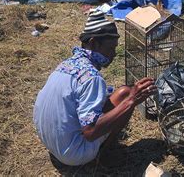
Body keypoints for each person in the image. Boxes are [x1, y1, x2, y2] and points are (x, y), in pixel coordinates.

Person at [33, 11, 157, 166]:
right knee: (126, 97)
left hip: (50, 142)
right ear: (93, 43)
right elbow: (90, 132)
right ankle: (104, 153)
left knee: (124, 92)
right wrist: (132, 100)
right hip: (73, 154)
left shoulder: (67, 64)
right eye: (110, 48)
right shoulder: (92, 78)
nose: (113, 54)